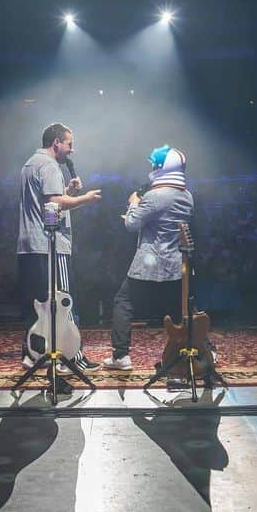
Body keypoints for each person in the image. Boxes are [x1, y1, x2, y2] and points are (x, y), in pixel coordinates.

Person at [18, 122, 102, 370]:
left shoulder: (30, 163)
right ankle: (72, 357)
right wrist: (83, 199)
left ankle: (33, 354)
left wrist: (67, 191)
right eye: (69, 144)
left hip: (29, 245)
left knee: (37, 304)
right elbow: (53, 203)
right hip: (50, 244)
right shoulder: (50, 165)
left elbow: (43, 201)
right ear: (56, 142)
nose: (71, 150)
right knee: (64, 301)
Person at [104, 145, 193, 370]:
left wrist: (134, 203)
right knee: (181, 309)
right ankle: (203, 348)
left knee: (123, 303)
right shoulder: (187, 195)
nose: (152, 167)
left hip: (150, 262)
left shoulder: (154, 196)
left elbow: (131, 225)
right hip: (175, 263)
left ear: (163, 167)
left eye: (155, 164)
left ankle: (121, 356)